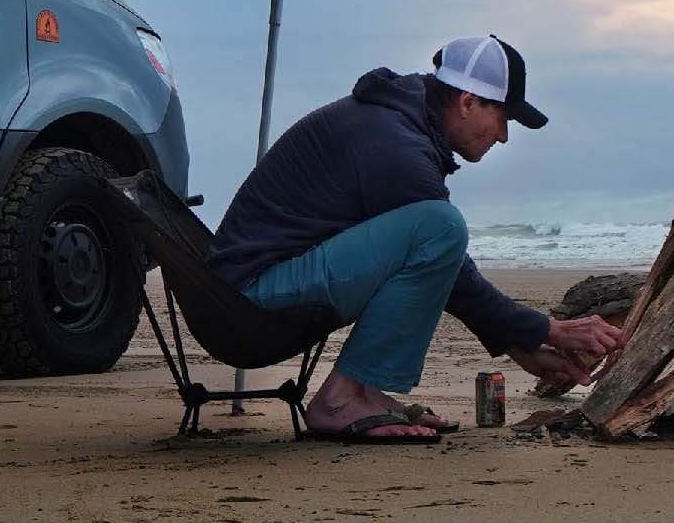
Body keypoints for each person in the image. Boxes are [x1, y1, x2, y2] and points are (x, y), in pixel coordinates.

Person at [208, 34, 625, 442]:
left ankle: (365, 389)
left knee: (435, 229)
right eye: (503, 119)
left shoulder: (395, 125)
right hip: (250, 303)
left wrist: (521, 343)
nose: (503, 136)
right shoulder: (394, 144)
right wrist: (544, 329)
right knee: (440, 225)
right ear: (468, 103)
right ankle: (340, 400)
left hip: (251, 291)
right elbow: (446, 260)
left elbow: (433, 270)